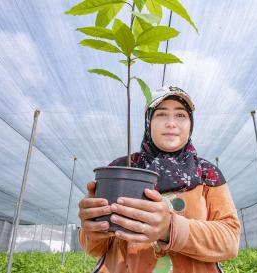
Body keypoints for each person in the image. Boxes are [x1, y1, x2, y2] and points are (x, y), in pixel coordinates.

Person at [78, 86, 241, 273]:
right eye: (161, 114)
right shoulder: (121, 169)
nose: (171, 123)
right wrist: (92, 228)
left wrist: (169, 229)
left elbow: (230, 242)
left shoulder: (207, 173)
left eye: (181, 115)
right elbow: (93, 249)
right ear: (148, 121)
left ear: (190, 124)